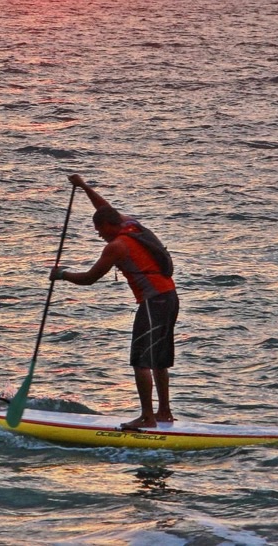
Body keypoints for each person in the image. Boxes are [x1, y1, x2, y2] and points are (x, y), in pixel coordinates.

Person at [50, 174, 179, 430]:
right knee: (159, 360)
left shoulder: (117, 246)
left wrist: (61, 274)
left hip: (154, 302)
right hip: (170, 297)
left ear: (109, 225)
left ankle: (147, 418)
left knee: (141, 360)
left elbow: (90, 278)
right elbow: (104, 208)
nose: (99, 235)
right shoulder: (130, 225)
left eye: (99, 230)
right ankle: (164, 412)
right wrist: (84, 186)